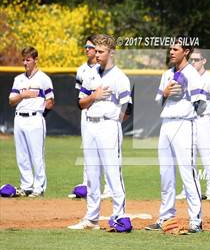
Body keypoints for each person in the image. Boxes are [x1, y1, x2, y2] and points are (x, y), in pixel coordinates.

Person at [68, 34, 132, 230]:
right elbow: (80, 103)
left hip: (108, 126)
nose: (96, 54)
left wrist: (112, 121)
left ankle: (119, 217)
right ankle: (91, 218)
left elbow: (128, 109)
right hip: (90, 125)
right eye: (95, 51)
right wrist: (95, 96)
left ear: (111, 53)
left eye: (101, 51)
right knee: (92, 174)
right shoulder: (90, 74)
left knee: (113, 173)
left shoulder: (119, 77)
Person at [146, 37, 206, 233]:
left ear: (186, 51)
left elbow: (201, 104)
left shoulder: (193, 75)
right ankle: (165, 217)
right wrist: (165, 93)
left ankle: (195, 220)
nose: (171, 52)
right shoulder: (167, 74)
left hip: (184, 125)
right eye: (170, 48)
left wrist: (189, 114)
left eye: (175, 48)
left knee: (188, 173)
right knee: (166, 174)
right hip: (166, 125)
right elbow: (157, 101)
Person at [68, 35, 112, 200]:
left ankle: (109, 188)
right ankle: (88, 185)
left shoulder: (109, 71)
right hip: (86, 114)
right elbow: (79, 96)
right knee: (88, 150)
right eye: (85, 47)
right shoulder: (82, 70)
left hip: (104, 117)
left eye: (90, 47)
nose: (87, 50)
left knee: (107, 152)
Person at [176, 49, 210, 201]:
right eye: (192, 59)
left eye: (197, 59)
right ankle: (187, 190)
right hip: (189, 120)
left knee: (207, 156)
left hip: (203, 120)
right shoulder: (187, 77)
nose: (194, 62)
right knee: (189, 157)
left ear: (204, 61)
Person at [9, 47, 54, 198]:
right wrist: (23, 95)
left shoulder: (43, 78)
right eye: (23, 59)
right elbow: (11, 100)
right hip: (19, 118)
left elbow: (50, 101)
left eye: (28, 59)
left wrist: (40, 115)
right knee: (22, 155)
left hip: (35, 119)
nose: (25, 62)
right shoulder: (18, 79)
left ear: (35, 60)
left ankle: (39, 187)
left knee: (36, 155)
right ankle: (26, 186)